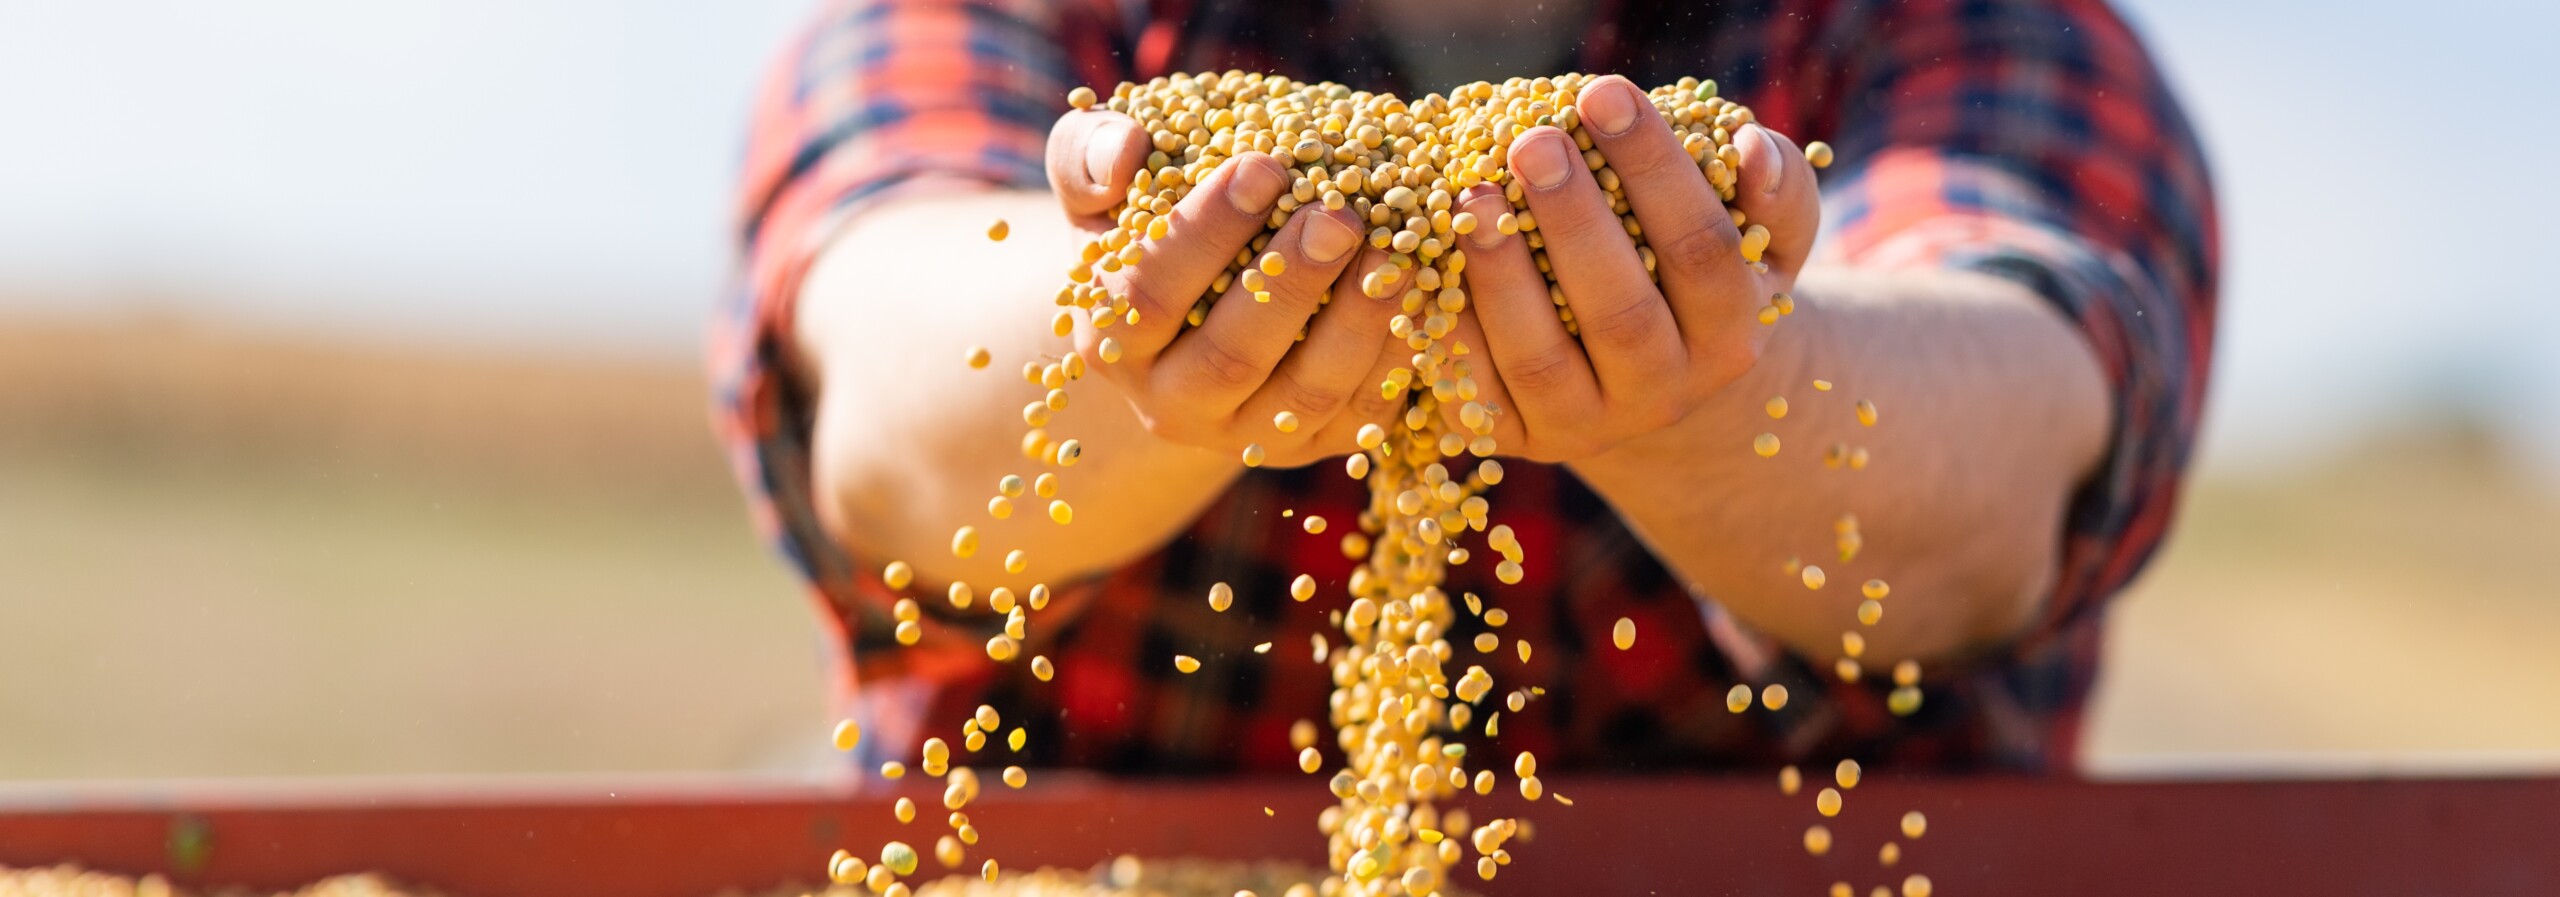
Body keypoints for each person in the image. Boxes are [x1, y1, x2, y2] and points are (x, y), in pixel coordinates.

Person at [712, 0, 2215, 774]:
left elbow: (2020, 451)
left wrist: (1725, 373)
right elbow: (886, 400)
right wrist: (1150, 310)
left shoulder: (1935, 28)